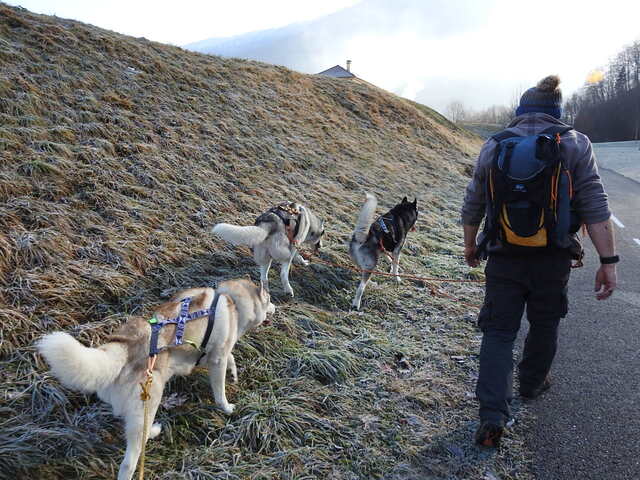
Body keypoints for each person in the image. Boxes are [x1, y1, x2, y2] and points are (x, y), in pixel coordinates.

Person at [461, 75, 618, 448]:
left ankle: (492, 415)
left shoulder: (496, 144)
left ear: (521, 111)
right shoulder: (575, 144)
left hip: (503, 256)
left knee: (498, 332)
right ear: (556, 111)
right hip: (554, 257)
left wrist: (471, 246)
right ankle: (531, 383)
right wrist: (608, 261)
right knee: (545, 322)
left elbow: (473, 202)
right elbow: (596, 207)